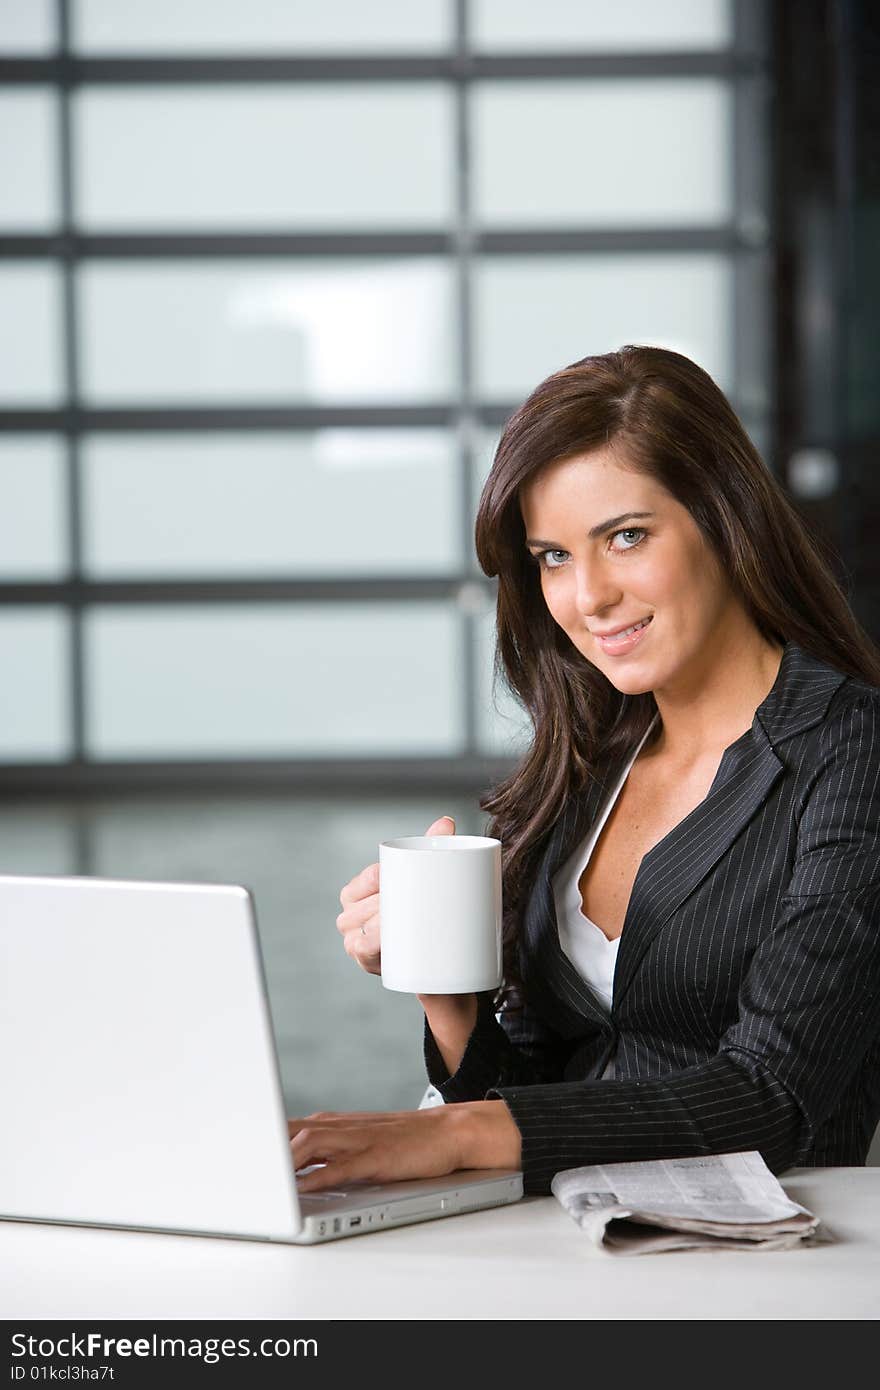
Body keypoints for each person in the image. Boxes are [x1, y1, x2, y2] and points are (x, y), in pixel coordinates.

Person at [289, 345, 880, 1195]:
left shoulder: (849, 748)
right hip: (560, 1246)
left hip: (756, 1272)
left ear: (726, 518)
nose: (588, 596)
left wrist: (456, 1134)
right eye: (553, 556)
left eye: (626, 537)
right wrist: (447, 992)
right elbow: (532, 1093)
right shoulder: (591, 753)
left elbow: (771, 1096)